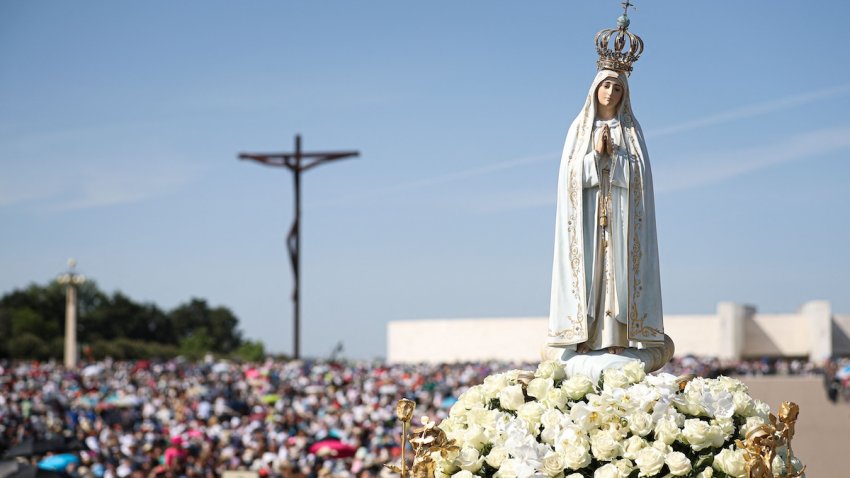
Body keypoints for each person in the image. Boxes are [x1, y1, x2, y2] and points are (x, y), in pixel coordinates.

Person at [546, 66, 669, 363]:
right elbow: (569, 176)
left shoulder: (630, 131)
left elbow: (640, 177)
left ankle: (616, 335)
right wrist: (596, 156)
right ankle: (585, 335)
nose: (610, 93)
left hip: (621, 217)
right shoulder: (579, 129)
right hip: (588, 217)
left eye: (617, 88)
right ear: (595, 89)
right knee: (590, 272)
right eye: (606, 86)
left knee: (618, 272)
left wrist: (616, 158)